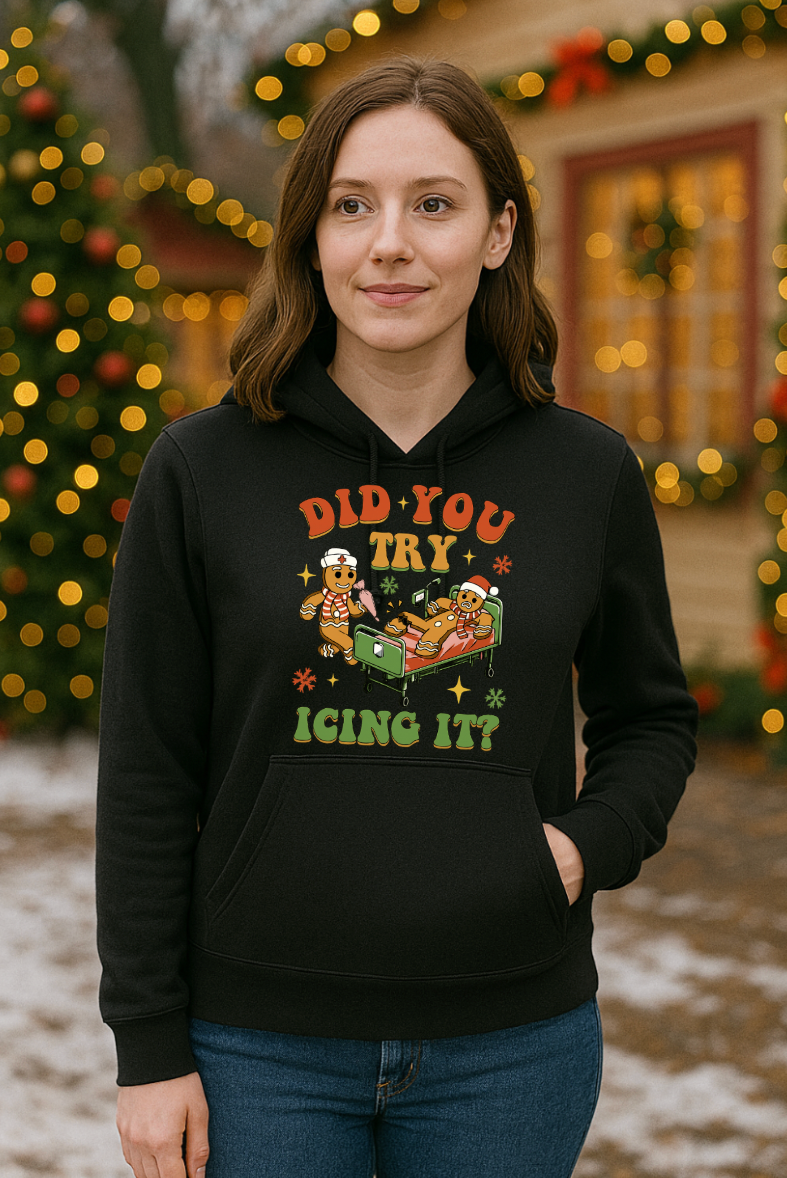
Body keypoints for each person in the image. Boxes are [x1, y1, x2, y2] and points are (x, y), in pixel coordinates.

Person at [95, 55, 698, 1178]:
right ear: (309, 237)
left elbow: (651, 720)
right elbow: (144, 770)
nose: (389, 244)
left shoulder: (585, 472)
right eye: (351, 205)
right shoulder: (204, 467)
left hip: (511, 1043)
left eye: (434, 204)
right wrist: (147, 1046)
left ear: (499, 231)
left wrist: (575, 849)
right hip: (253, 1047)